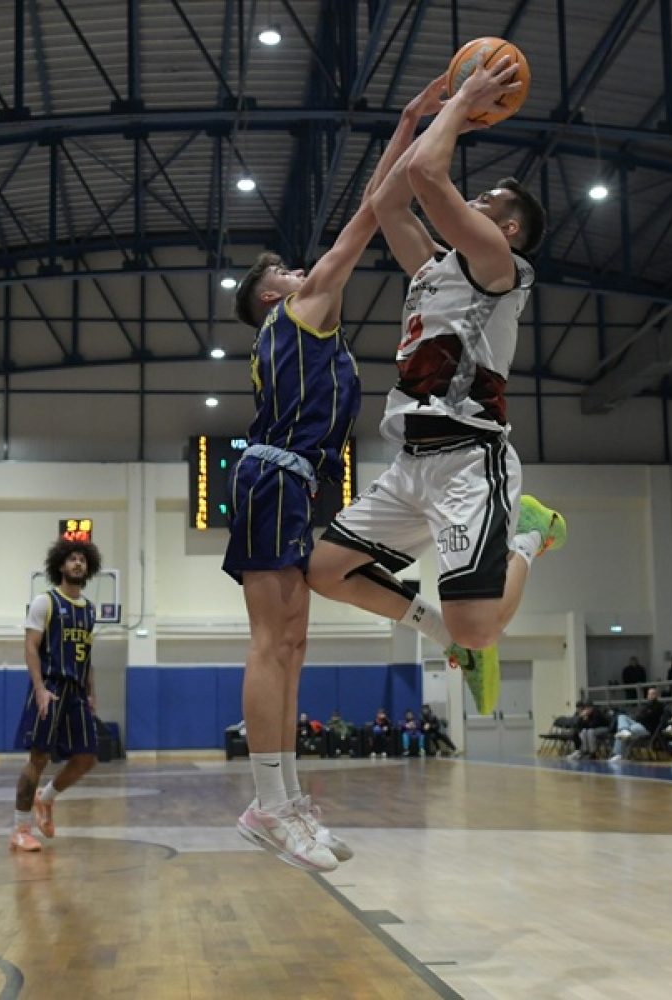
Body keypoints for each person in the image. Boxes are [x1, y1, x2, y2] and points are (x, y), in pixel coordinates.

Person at [225, 79, 461, 873]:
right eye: (288, 269)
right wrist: (410, 123)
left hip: (293, 484)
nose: (306, 269)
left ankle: (288, 800)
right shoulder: (301, 310)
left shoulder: (303, 327)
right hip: (272, 478)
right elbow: (371, 209)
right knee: (273, 643)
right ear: (272, 292)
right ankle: (266, 805)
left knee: (293, 644)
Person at [307, 55, 564, 718]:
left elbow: (426, 175)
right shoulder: (431, 267)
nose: (474, 200)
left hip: (469, 461)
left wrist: (463, 99)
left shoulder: (499, 264)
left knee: (481, 628)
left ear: (507, 229)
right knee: (324, 571)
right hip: (411, 462)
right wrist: (410, 118)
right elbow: (387, 200)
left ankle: (529, 534)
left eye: (488, 203)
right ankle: (437, 630)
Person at [10, 538, 104, 853]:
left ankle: (46, 798)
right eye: (72, 558)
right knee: (38, 758)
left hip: (76, 690)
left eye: (82, 559)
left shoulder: (89, 610)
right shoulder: (45, 602)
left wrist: (91, 693)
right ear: (60, 565)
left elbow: (87, 656)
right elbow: (30, 647)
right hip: (50, 686)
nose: (78, 563)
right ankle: (20, 829)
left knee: (87, 757)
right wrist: (39, 688)